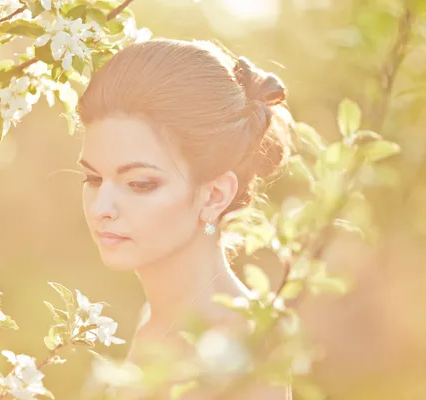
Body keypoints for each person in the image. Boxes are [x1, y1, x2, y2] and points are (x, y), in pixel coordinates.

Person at [76, 38, 293, 399]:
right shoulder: (154, 319)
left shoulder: (243, 348)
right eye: (93, 179)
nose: (101, 207)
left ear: (214, 195)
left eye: (139, 184)